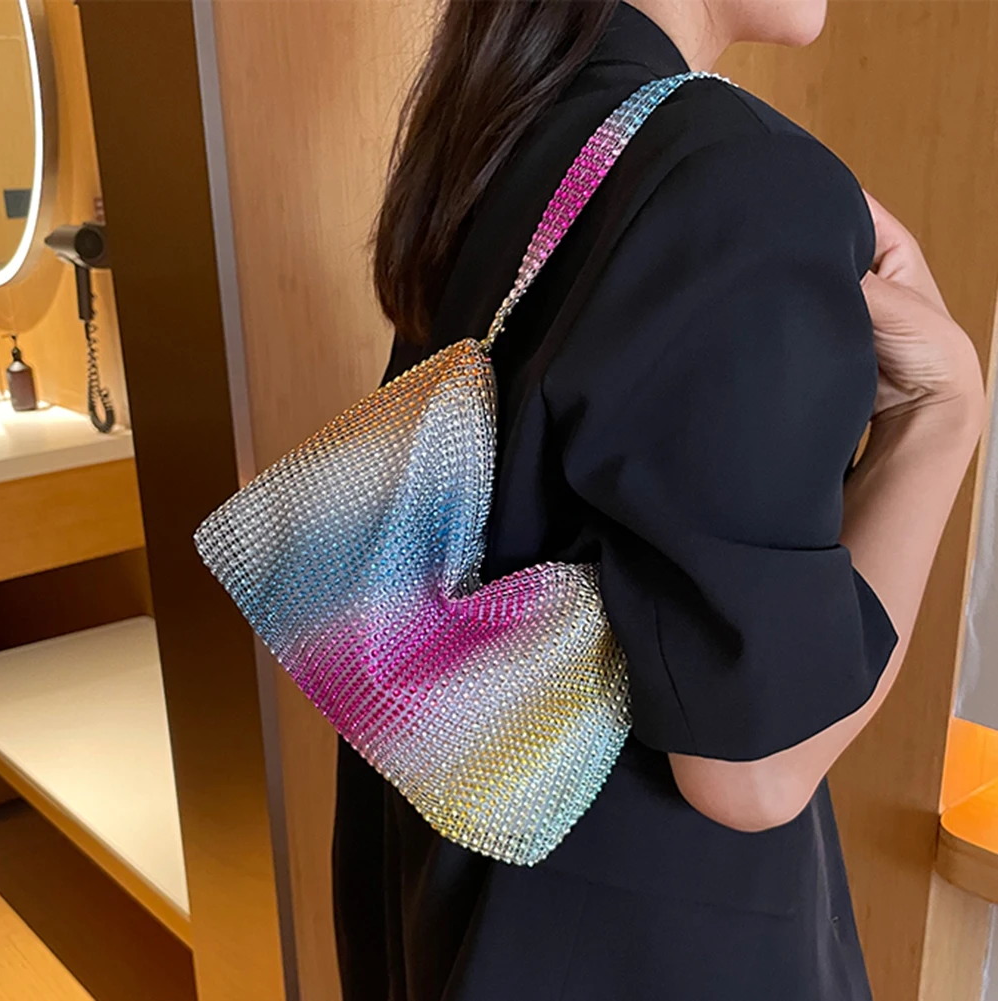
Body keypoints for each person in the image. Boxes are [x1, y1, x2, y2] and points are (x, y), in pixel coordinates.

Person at [333, 2, 987, 998]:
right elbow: (752, 770)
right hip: (640, 943)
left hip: (462, 895)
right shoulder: (731, 175)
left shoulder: (514, 122)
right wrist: (940, 417)